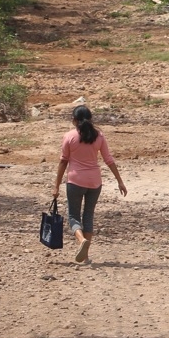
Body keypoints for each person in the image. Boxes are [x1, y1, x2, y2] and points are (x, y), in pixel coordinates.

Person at [51, 105, 126, 264]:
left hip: (75, 181)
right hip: (95, 182)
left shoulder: (69, 136)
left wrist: (56, 185)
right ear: (90, 119)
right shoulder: (99, 136)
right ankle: (85, 256)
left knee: (73, 216)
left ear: (74, 120)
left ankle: (81, 240)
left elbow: (63, 162)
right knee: (88, 216)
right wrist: (120, 181)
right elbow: (109, 160)